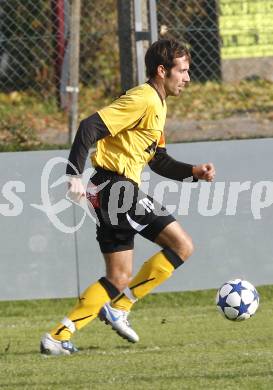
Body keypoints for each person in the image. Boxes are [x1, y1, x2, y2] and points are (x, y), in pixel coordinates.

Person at [40, 39, 215, 355]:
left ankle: (57, 336)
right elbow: (89, 126)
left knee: (118, 276)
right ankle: (120, 308)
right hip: (115, 188)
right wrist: (72, 174)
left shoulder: (158, 105)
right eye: (183, 71)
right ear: (162, 71)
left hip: (108, 189)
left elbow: (158, 159)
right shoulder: (144, 98)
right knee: (182, 245)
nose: (187, 78)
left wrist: (194, 172)